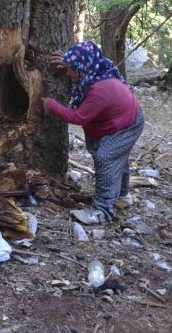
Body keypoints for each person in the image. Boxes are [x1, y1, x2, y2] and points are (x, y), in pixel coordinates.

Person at [42, 41, 144, 224]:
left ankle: (102, 210)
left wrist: (51, 105)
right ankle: (122, 195)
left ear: (82, 66)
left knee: (106, 157)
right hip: (115, 123)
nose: (68, 73)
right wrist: (67, 61)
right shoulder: (94, 69)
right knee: (118, 159)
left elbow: (78, 117)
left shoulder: (100, 89)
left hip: (125, 126)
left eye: (71, 69)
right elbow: (81, 67)